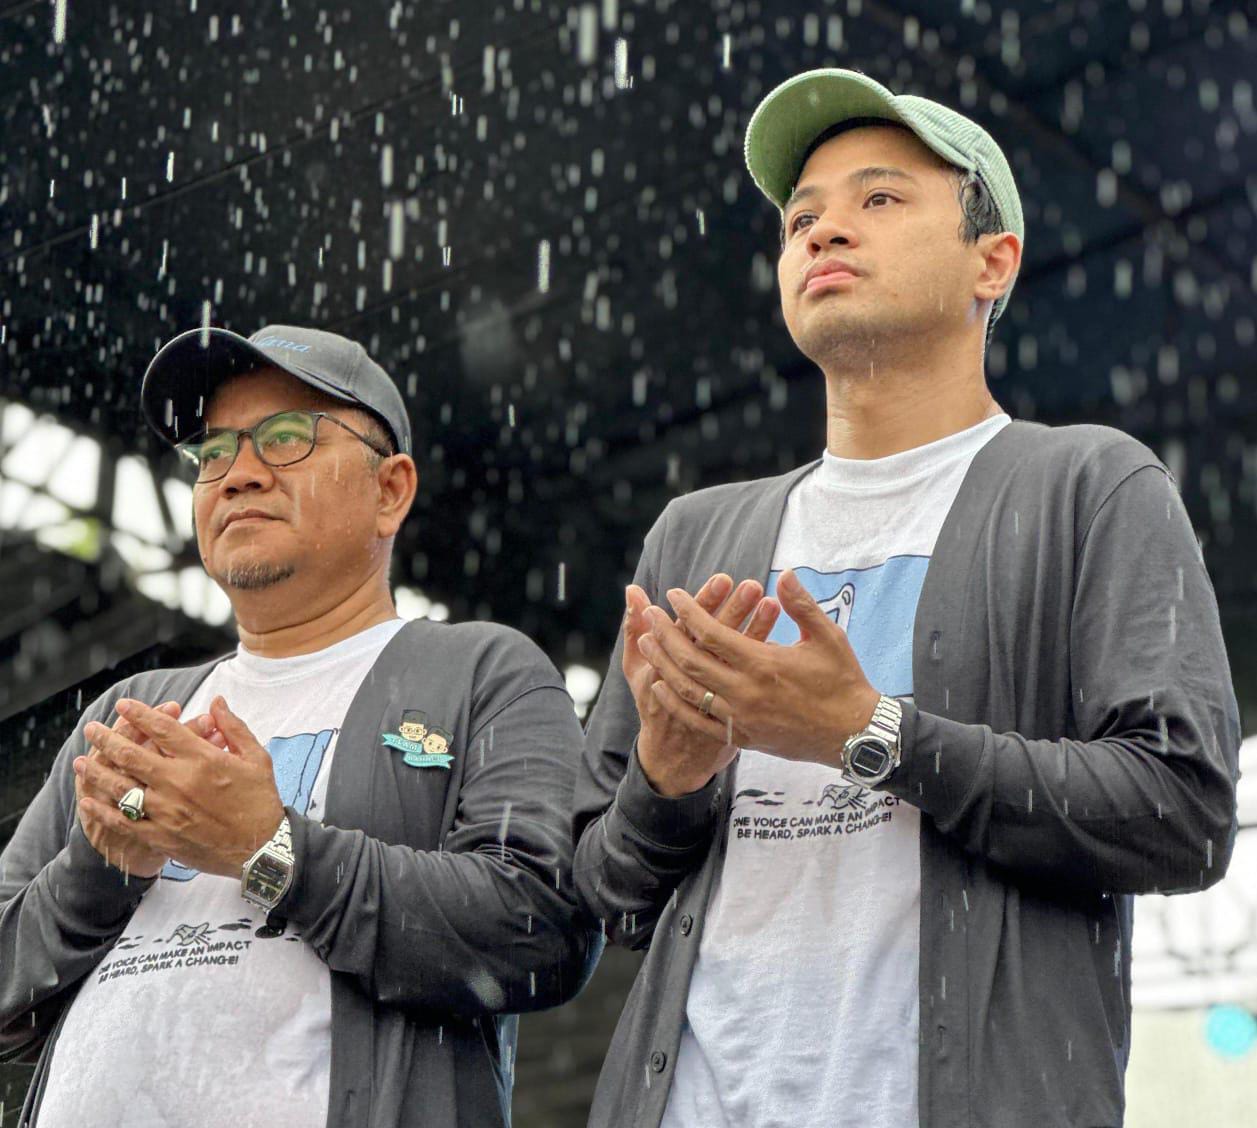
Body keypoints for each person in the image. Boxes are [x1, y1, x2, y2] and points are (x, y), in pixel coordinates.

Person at [573, 69, 1240, 1128]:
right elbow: (602, 898)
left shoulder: (1092, 487)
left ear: (994, 259)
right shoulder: (692, 538)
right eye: (801, 217)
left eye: (879, 199)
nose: (825, 230)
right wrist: (666, 779)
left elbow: (1184, 816)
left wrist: (870, 733)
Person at [0, 324, 593, 1127]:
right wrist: (102, 871)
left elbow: (540, 931)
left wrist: (271, 852)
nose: (238, 474)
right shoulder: (127, 712)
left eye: (284, 439)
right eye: (212, 453)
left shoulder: (481, 673)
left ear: (390, 491)